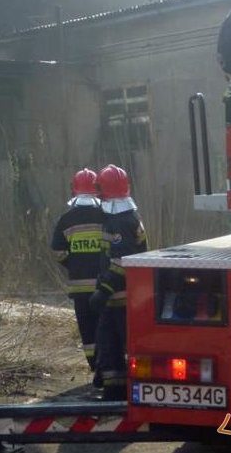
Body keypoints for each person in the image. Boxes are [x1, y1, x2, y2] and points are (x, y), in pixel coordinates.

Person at [89, 164, 147, 401]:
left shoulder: (119, 222)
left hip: (120, 298)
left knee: (118, 345)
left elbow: (121, 261)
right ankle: (115, 389)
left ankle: (122, 392)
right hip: (118, 298)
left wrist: (103, 291)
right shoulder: (125, 215)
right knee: (109, 344)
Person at [51, 167, 104, 377]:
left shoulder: (66, 220)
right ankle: (105, 367)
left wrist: (73, 265)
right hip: (104, 288)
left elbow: (57, 252)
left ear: (74, 192)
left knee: (87, 331)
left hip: (80, 289)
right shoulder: (106, 217)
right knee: (104, 328)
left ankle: (93, 367)